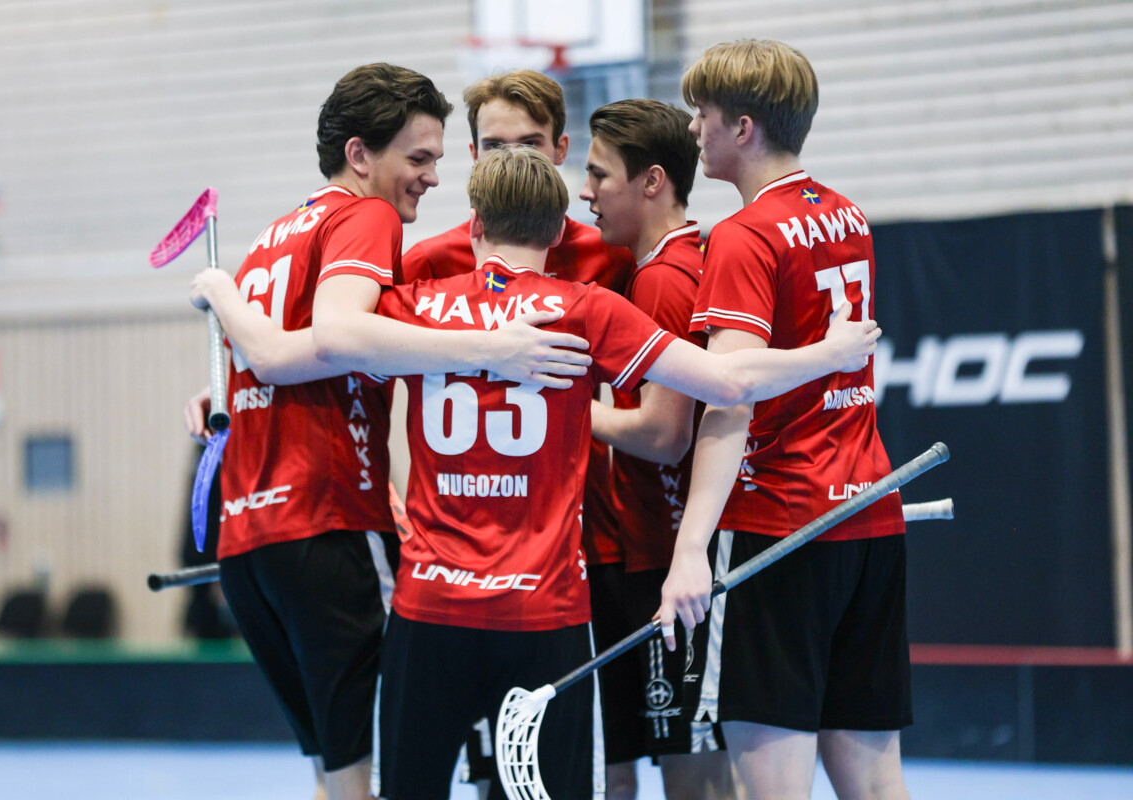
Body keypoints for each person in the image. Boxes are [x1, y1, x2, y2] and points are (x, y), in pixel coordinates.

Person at [369, 145, 881, 800]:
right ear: (558, 235)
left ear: (473, 226)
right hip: (542, 611)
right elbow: (727, 382)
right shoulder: (585, 309)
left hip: (429, 607)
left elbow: (319, 343)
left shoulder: (413, 306)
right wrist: (829, 353)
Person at [184, 63, 593, 800]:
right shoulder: (365, 218)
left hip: (248, 544)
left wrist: (229, 342)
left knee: (338, 767)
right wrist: (492, 348)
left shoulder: (274, 236)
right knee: (371, 766)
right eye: (419, 158)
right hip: (328, 518)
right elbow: (323, 342)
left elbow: (281, 354)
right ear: (359, 155)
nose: (434, 176)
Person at [657, 40, 911, 800]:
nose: (692, 129)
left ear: (742, 128)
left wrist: (689, 550)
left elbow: (730, 392)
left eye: (701, 114)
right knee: (876, 784)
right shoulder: (848, 214)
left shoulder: (743, 236)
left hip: (779, 528)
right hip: (869, 516)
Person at [396, 68, 636, 794]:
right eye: (495, 147)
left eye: (530, 144)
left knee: (582, 769)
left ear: (561, 148)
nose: (513, 160)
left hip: (584, 546)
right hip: (457, 561)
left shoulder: (609, 258)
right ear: (473, 158)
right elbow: (355, 367)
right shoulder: (425, 264)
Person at [578, 99, 734, 799]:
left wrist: (565, 411)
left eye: (598, 174)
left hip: (676, 559)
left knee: (696, 779)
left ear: (652, 181)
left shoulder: (664, 278)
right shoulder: (669, 266)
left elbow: (665, 436)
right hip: (657, 551)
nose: (586, 192)